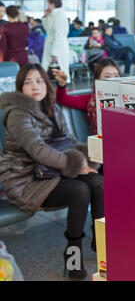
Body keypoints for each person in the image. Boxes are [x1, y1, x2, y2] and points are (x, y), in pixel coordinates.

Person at [0, 63, 104, 280]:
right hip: (26, 178)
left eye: (39, 81)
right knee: (79, 191)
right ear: (20, 88)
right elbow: (38, 150)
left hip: (51, 171)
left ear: (47, 84)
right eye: (28, 82)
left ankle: (100, 242)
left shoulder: (53, 109)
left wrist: (86, 160)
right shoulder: (17, 114)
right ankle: (73, 255)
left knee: (96, 182)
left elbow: (70, 140)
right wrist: (75, 165)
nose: (35, 86)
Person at [52, 58, 121, 136]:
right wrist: (62, 85)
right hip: (102, 144)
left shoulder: (126, 98)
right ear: (98, 79)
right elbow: (62, 99)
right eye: (107, 76)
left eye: (116, 76)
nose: (113, 80)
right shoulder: (90, 100)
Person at [42, 0, 71, 84]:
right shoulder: (53, 14)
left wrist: (55, 53)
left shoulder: (59, 15)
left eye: (48, 3)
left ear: (52, 4)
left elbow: (59, 35)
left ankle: (63, 91)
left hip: (58, 46)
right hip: (50, 44)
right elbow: (47, 29)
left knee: (62, 70)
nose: (47, 6)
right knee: (44, 67)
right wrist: (46, 17)